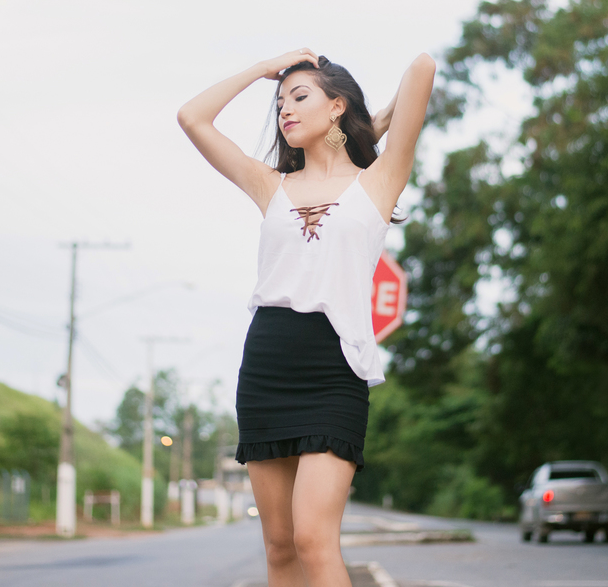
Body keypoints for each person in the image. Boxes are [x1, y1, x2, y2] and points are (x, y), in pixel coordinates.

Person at [178, 48, 435, 586]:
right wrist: (263, 68)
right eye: (279, 104)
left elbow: (422, 68)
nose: (285, 110)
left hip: (333, 369)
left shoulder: (379, 180)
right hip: (267, 362)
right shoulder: (270, 185)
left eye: (299, 97)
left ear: (336, 106)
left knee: (313, 541)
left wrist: (367, 125)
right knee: (279, 547)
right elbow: (192, 117)